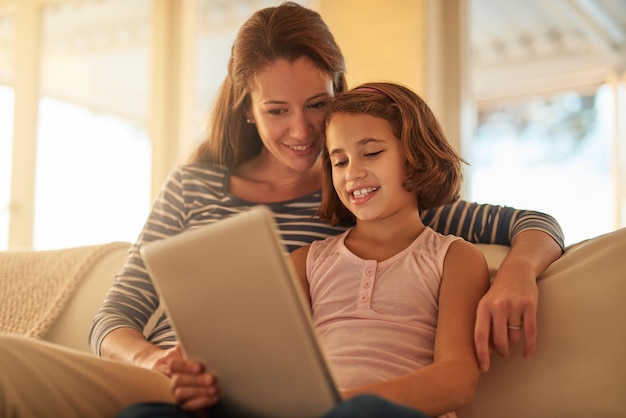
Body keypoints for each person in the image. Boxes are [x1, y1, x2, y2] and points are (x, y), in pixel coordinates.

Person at [0, 2, 563, 417]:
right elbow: (111, 320)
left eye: (318, 105)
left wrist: (515, 272)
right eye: (276, 110)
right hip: (169, 385)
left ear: (338, 93)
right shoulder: (193, 187)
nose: (302, 131)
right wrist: (154, 362)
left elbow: (530, 224)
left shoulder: (366, 199)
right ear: (247, 109)